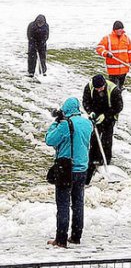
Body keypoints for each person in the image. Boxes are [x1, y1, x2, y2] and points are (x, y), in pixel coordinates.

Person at [45, 97, 93, 247]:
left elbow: (50, 140)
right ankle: (76, 236)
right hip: (82, 168)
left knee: (63, 204)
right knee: (78, 203)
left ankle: (60, 239)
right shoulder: (87, 123)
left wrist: (56, 123)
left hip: (66, 169)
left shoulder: (65, 124)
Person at [82, 74, 123, 182]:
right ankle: (93, 160)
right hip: (95, 115)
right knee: (94, 138)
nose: (99, 90)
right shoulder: (89, 87)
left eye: (101, 88)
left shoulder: (113, 90)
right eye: (97, 88)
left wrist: (106, 115)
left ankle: (106, 160)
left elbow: (119, 106)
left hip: (109, 116)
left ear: (104, 84)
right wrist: (90, 112)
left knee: (107, 139)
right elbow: (85, 101)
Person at [96, 21, 131, 89]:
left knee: (120, 88)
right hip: (113, 70)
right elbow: (99, 48)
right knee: (114, 89)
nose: (120, 31)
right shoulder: (107, 38)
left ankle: (118, 97)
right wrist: (106, 53)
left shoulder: (126, 39)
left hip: (124, 69)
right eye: (118, 29)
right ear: (115, 30)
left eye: (121, 29)